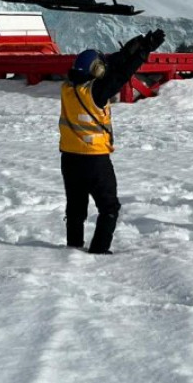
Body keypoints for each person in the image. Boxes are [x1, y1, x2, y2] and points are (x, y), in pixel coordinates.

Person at [59, 29, 166, 254]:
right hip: (94, 159)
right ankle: (99, 251)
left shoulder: (68, 88)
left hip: (69, 158)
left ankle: (73, 248)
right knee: (109, 208)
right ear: (95, 70)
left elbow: (110, 66)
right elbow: (121, 75)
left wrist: (128, 50)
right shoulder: (96, 92)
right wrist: (142, 53)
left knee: (76, 208)